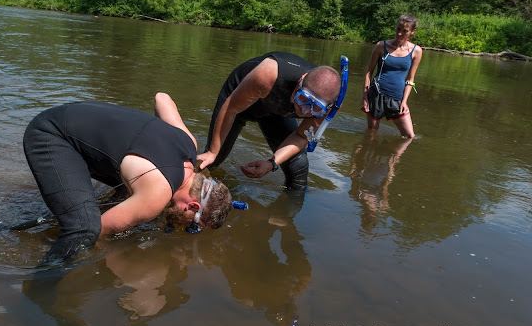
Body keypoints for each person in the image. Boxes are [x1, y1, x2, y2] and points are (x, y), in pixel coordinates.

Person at [23, 93, 232, 264]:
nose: (185, 227)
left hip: (72, 114)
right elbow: (100, 232)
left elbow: (162, 98)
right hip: (50, 134)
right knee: (84, 229)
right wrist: (116, 255)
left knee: (127, 193)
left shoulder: (189, 144)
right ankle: (38, 294)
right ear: (193, 207)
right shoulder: (157, 195)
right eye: (192, 225)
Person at [197, 51, 342, 190]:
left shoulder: (329, 105)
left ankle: (285, 214)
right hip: (237, 104)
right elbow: (230, 109)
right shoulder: (269, 74)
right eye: (303, 99)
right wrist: (212, 152)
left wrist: (271, 163)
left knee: (298, 169)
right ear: (301, 80)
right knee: (211, 161)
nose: (304, 111)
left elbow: (300, 136)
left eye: (315, 108)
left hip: (276, 113)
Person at [361, 14, 423, 138]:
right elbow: (369, 73)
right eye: (398, 29)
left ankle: (395, 157)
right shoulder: (381, 46)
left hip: (397, 98)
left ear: (412, 32)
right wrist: (365, 98)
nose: (399, 33)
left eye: (404, 31)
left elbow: (410, 80)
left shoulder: (416, 51)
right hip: (376, 95)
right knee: (372, 134)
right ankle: (368, 156)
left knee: (409, 136)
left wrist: (404, 102)